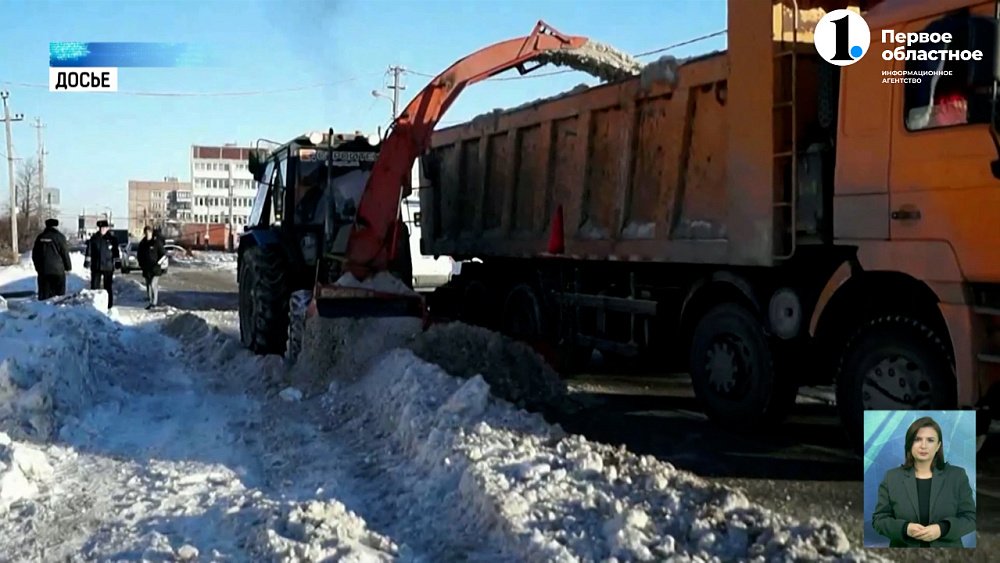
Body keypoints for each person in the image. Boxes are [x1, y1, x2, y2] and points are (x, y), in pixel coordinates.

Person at [871, 416, 976, 548]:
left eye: (930, 440)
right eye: (917, 439)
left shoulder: (957, 476)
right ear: (909, 444)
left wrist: (942, 529)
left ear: (938, 446)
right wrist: (905, 528)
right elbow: (879, 520)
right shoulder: (891, 477)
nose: (923, 446)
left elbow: (970, 518)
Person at [31, 218, 73, 300]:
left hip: (44, 272)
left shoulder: (40, 237)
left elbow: (35, 255)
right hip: (58, 272)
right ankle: (57, 312)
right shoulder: (60, 237)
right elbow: (64, 253)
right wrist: (68, 267)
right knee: (58, 298)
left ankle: (44, 311)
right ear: (56, 226)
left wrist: (38, 268)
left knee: (44, 297)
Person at [84, 220, 121, 310]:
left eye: (104, 228)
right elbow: (89, 251)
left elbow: (116, 252)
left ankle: (109, 305)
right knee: (94, 286)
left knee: (107, 286)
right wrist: (87, 262)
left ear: (107, 228)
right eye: (101, 228)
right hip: (96, 266)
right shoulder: (94, 238)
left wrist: (117, 262)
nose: (102, 230)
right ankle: (94, 305)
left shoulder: (112, 239)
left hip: (108, 266)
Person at [136, 226, 166, 309]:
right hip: (146, 268)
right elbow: (139, 255)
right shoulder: (142, 243)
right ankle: (150, 301)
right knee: (148, 285)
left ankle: (154, 302)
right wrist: (141, 264)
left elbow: (163, 254)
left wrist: (159, 263)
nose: (147, 234)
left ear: (151, 233)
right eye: (146, 233)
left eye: (149, 232)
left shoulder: (156, 242)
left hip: (156, 268)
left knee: (153, 284)